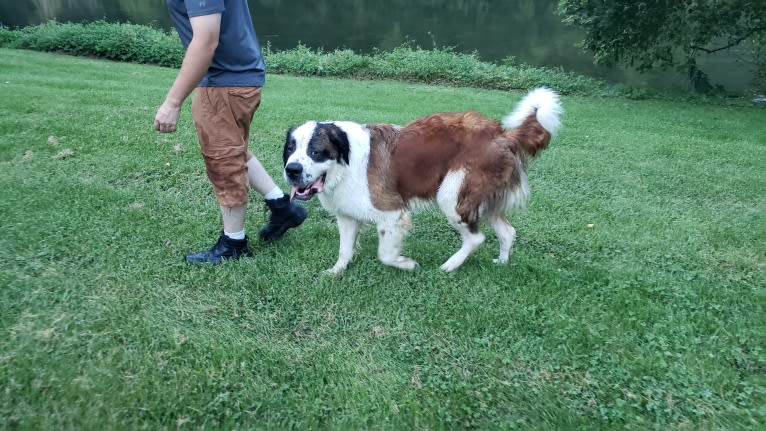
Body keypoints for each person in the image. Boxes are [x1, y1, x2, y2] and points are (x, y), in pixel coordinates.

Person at [154, 0, 306, 264]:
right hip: (237, 78)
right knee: (235, 151)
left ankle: (234, 243)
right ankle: (282, 206)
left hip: (224, 82)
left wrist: (172, 102)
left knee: (223, 162)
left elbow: (206, 40)